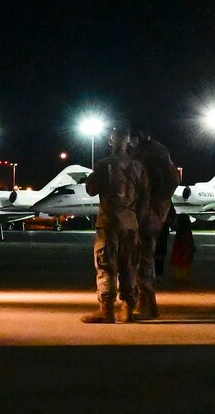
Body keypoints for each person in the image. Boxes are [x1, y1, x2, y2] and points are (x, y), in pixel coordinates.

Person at [82, 127, 145, 322]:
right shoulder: (137, 166)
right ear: (128, 142)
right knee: (129, 265)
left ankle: (107, 309)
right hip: (130, 222)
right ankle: (127, 307)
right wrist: (138, 221)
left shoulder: (105, 165)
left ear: (110, 142)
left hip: (109, 221)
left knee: (106, 265)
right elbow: (145, 197)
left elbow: (91, 190)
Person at [132, 127, 178, 321]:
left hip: (150, 211)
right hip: (143, 209)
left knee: (144, 255)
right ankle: (146, 303)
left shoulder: (154, 152)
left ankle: (146, 303)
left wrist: (151, 206)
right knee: (139, 255)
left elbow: (171, 181)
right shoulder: (146, 151)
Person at [169, 212, 196, 282]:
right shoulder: (187, 231)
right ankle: (184, 277)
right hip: (184, 249)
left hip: (180, 248)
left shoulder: (180, 230)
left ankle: (179, 277)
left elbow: (173, 227)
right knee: (185, 263)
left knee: (178, 263)